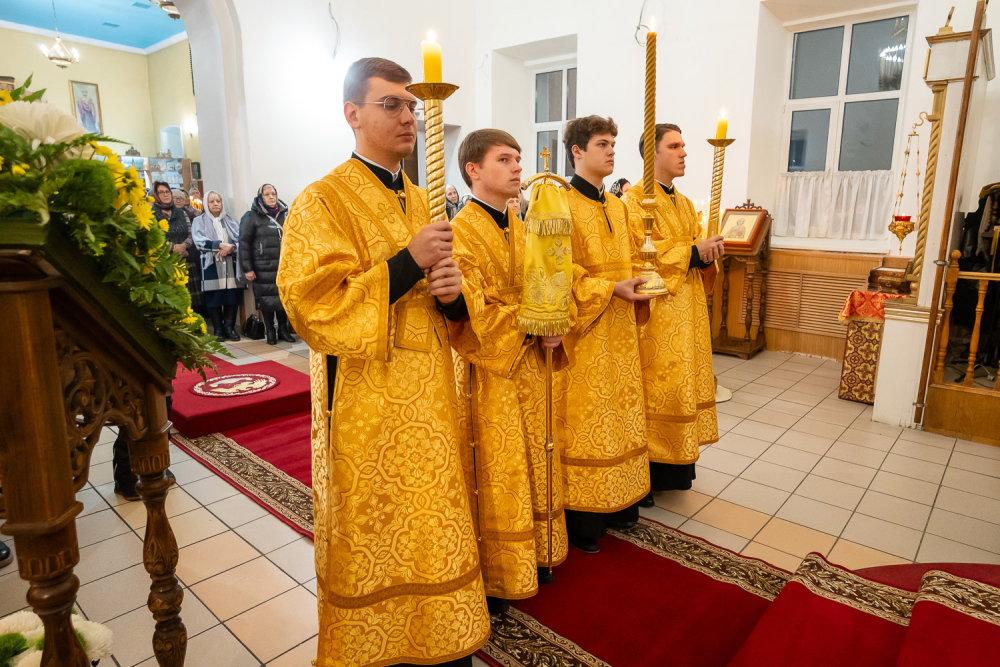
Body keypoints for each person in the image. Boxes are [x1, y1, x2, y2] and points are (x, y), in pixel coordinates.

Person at [276, 57, 489, 667]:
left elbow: (454, 306)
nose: (407, 116)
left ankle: (443, 643)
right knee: (376, 533)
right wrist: (405, 263)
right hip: (368, 407)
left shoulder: (427, 199)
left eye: (411, 106)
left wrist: (453, 299)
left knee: (434, 525)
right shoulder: (321, 201)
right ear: (352, 113)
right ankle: (376, 649)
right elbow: (312, 306)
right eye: (391, 104)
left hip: (431, 399)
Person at [447, 129, 569, 616]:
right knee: (497, 467)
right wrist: (534, 319)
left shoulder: (522, 226)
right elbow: (472, 309)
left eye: (518, 158)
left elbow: (549, 285)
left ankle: (536, 552)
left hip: (531, 366)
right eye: (505, 159)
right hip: (490, 372)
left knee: (534, 455)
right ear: (474, 170)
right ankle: (498, 571)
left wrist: (555, 321)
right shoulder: (460, 230)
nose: (518, 167)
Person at [556, 116, 652, 554]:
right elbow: (556, 269)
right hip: (587, 331)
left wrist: (641, 283)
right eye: (602, 143)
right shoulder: (558, 204)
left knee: (619, 410)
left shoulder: (618, 205)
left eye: (613, 143)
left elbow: (632, 255)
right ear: (577, 151)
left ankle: (622, 501)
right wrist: (607, 288)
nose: (612, 150)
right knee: (588, 418)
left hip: (620, 327)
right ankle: (586, 515)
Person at [623, 124, 724, 495]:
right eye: (674, 146)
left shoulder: (682, 203)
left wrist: (707, 252)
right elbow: (636, 262)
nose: (684, 153)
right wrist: (693, 253)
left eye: (684, 145)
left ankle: (678, 468)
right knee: (659, 390)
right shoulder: (632, 203)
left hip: (689, 312)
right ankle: (651, 474)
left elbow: (690, 251)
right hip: (658, 318)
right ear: (653, 154)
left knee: (683, 388)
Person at [240, 184, 295, 345]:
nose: (271, 197)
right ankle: (270, 331)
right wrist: (247, 268)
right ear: (260, 197)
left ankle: (283, 330)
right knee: (267, 300)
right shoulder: (251, 216)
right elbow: (244, 243)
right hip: (262, 265)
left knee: (283, 299)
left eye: (274, 194)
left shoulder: (285, 214)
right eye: (267, 194)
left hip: (283, 266)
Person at [192, 191, 244, 342]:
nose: (215, 204)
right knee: (214, 297)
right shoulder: (199, 221)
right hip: (211, 264)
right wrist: (220, 245)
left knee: (231, 296)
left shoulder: (231, 221)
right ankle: (218, 329)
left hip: (230, 263)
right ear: (206, 205)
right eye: (211, 201)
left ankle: (230, 328)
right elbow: (199, 241)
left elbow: (240, 239)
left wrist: (231, 248)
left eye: (218, 201)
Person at [152, 180, 203, 313]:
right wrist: (174, 248)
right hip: (165, 262)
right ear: (155, 195)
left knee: (189, 302)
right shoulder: (152, 214)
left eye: (167, 191)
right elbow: (155, 238)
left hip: (184, 259)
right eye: (161, 192)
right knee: (172, 302)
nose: (166, 194)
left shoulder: (182, 212)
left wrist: (184, 246)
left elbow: (191, 233)